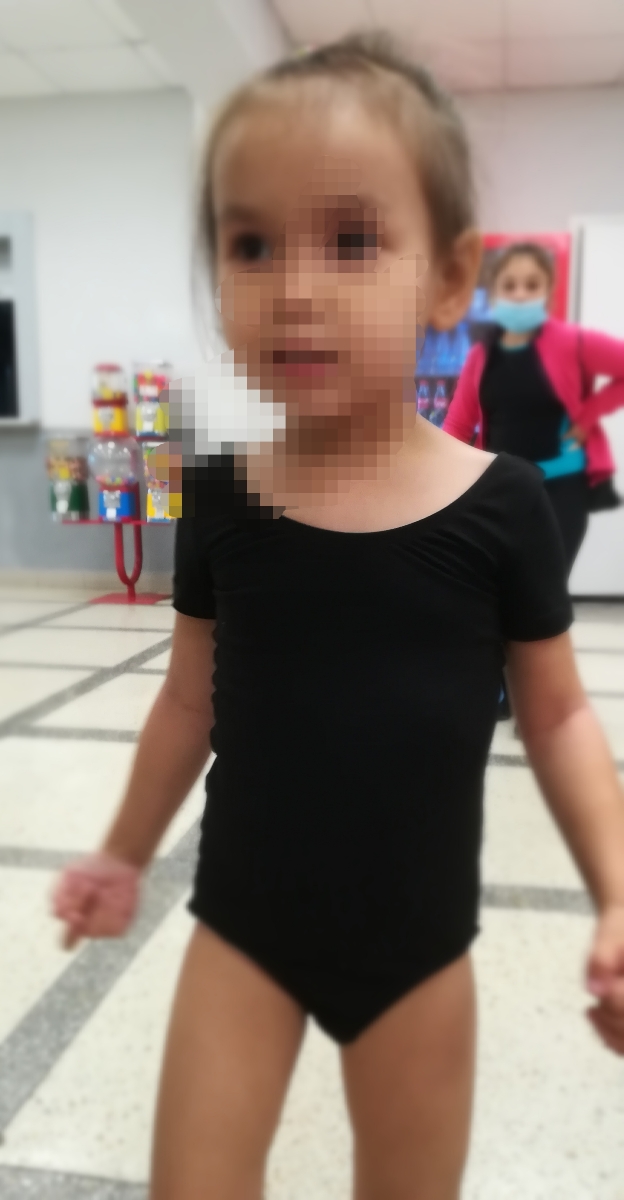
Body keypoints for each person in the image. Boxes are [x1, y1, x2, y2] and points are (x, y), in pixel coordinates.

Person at [52, 35, 624, 1200]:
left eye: (353, 240)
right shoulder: (219, 497)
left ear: (449, 280)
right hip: (242, 931)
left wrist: (617, 891)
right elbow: (189, 701)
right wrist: (121, 848)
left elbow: (560, 718)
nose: (294, 287)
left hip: (420, 950)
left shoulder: (504, 503)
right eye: (251, 244)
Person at [444, 241, 624, 574]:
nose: (520, 294)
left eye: (531, 285)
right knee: (497, 589)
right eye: (509, 285)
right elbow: (457, 425)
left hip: (560, 492)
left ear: (548, 291)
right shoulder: (480, 357)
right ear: (494, 294)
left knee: (544, 592)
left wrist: (589, 415)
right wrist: (438, 481)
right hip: (499, 492)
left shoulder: (574, 342)